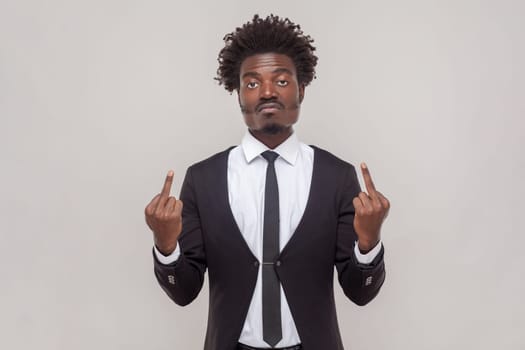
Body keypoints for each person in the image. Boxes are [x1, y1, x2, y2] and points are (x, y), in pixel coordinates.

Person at [145, 14, 390, 350]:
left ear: (302, 88)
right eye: (252, 83)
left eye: (282, 81)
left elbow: (360, 292)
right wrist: (166, 245)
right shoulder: (204, 179)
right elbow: (184, 291)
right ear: (238, 95)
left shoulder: (337, 177)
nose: (267, 92)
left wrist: (369, 241)